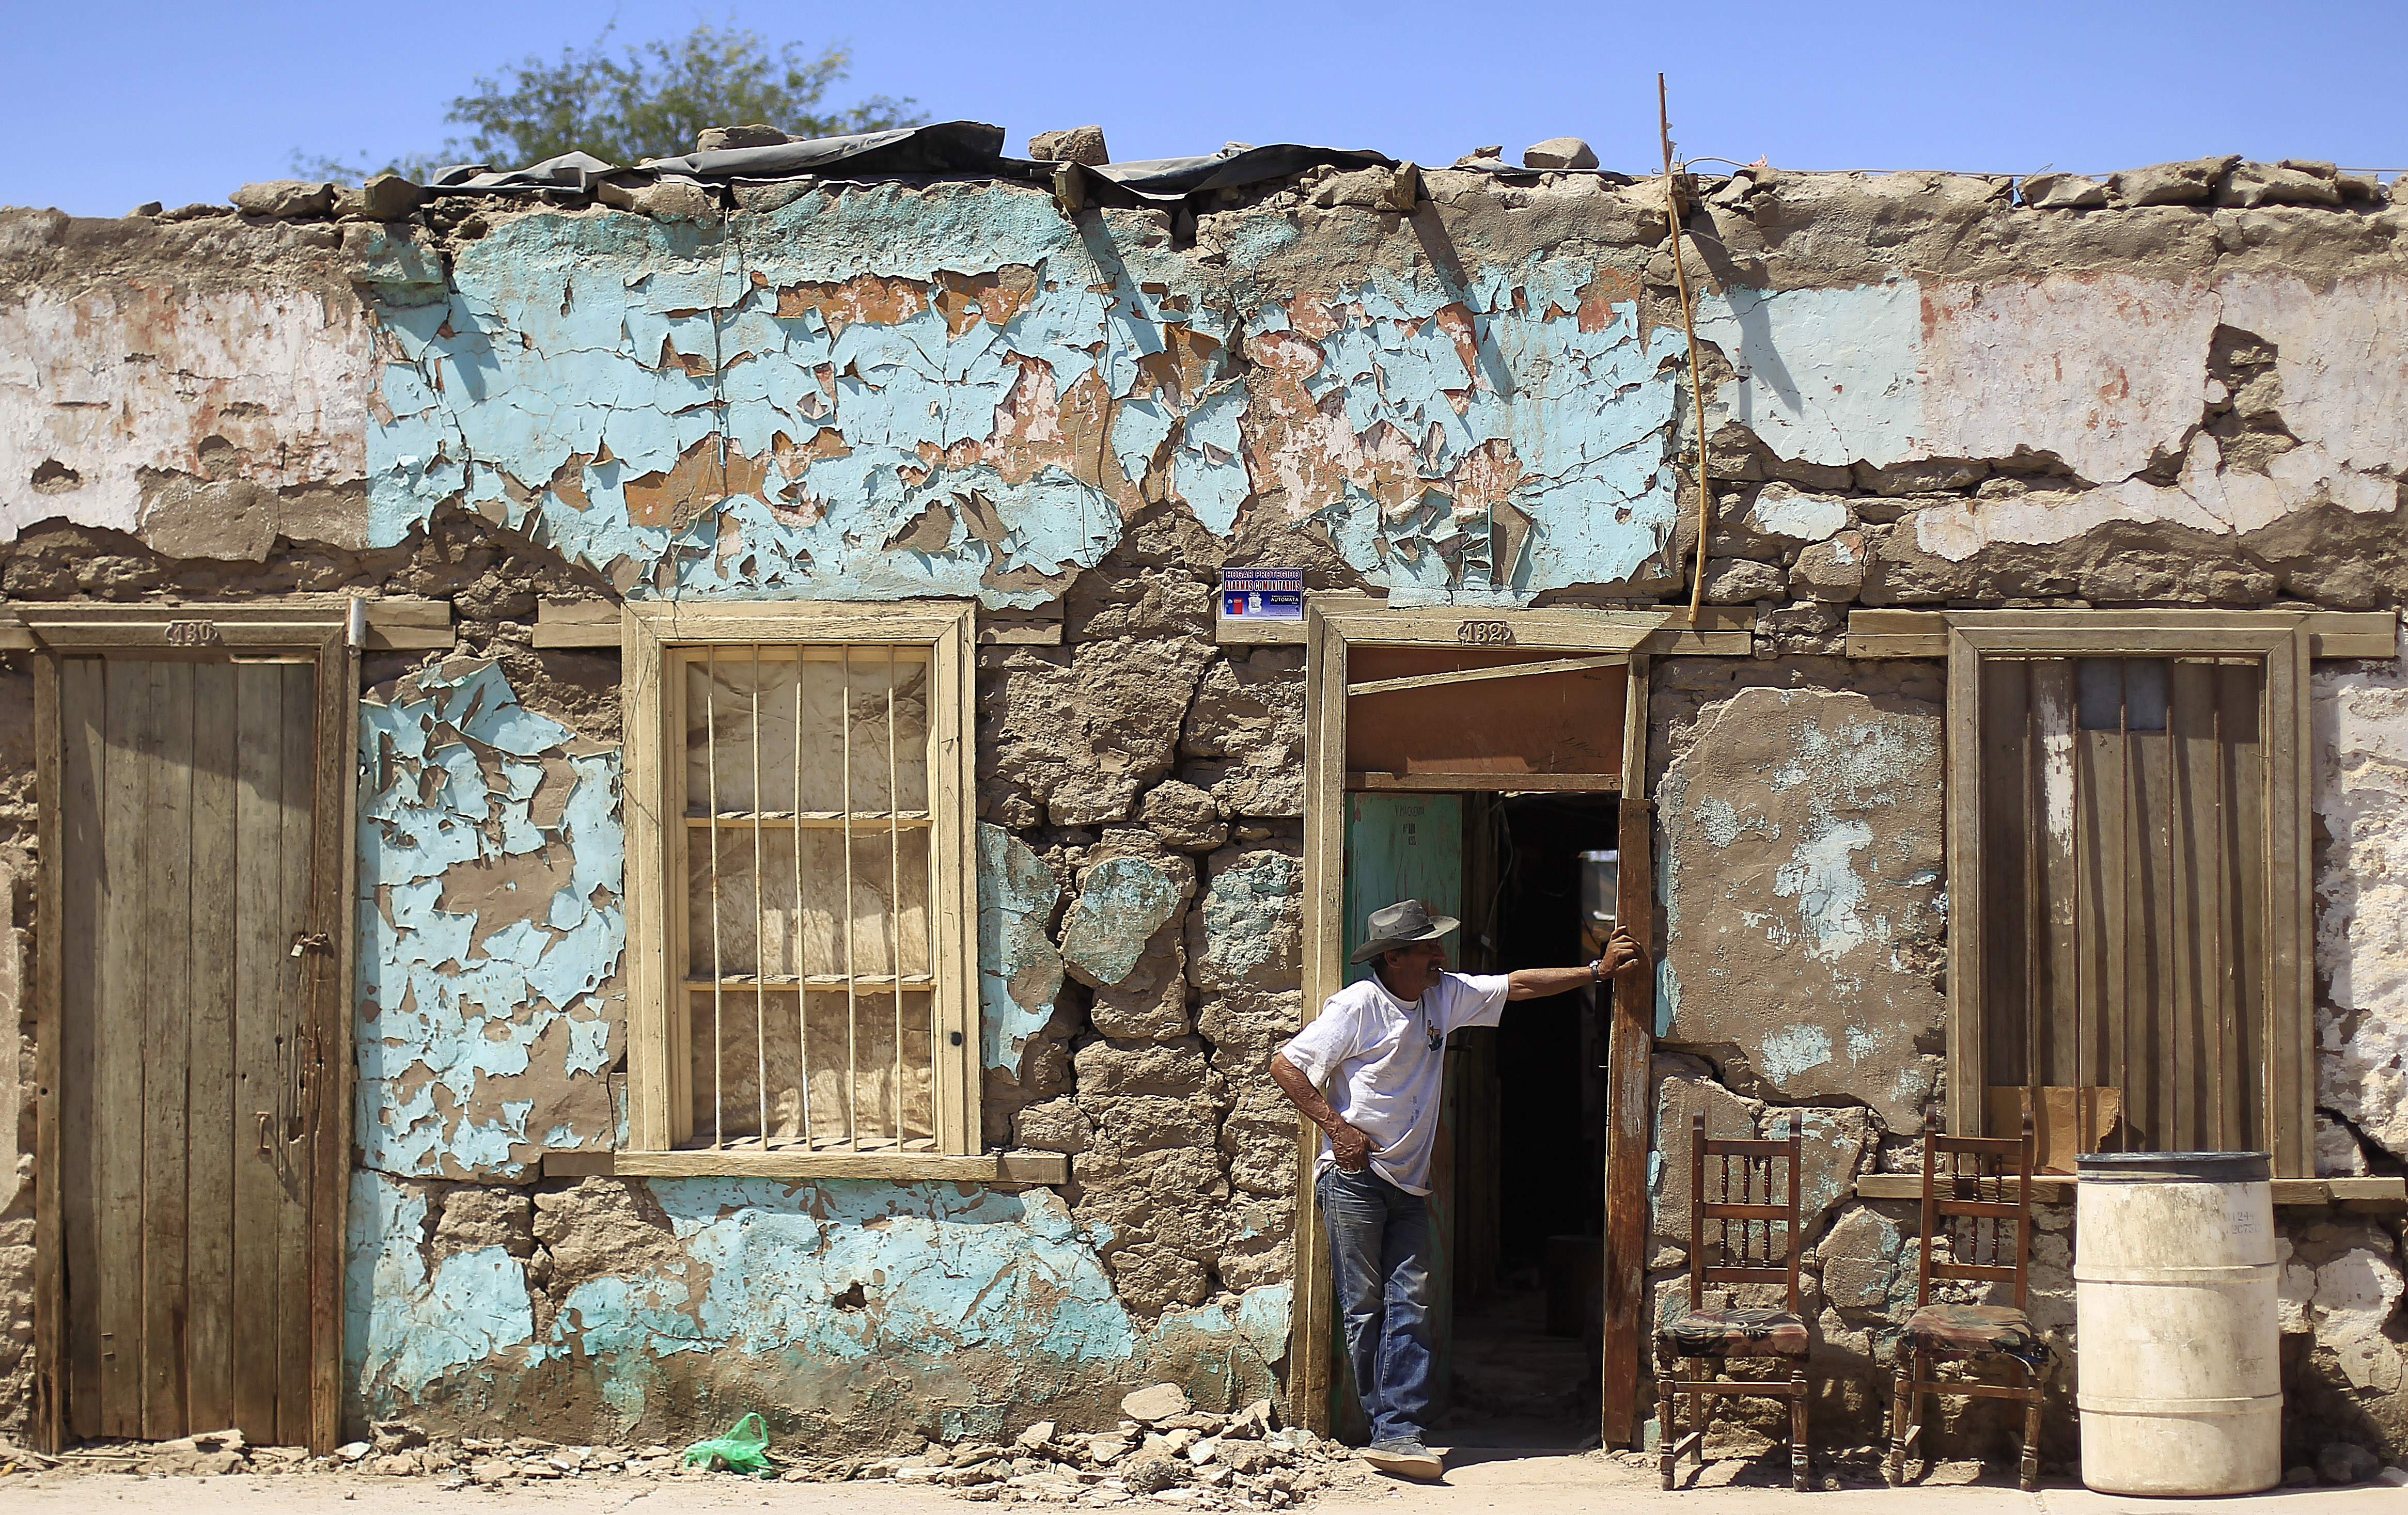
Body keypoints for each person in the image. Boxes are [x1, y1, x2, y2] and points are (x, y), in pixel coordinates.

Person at [1268, 897, 1642, 1482]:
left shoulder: (1443, 994)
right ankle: (1382, 1426)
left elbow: (1517, 986)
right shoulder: (1359, 1005)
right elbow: (1287, 1064)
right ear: (1394, 958)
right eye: (1427, 947)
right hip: (1355, 1181)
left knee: (1411, 1302)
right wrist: (1338, 1130)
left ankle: (1401, 1430)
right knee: (1366, 1309)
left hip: (1410, 1184)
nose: (1441, 955)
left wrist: (1596, 973)